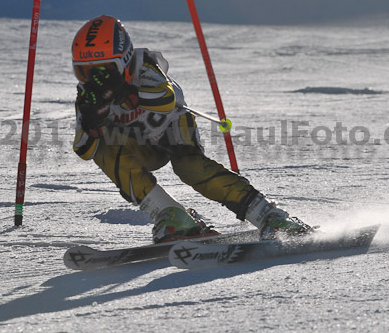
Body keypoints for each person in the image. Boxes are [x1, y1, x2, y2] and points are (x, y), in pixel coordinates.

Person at [71, 15, 312, 243]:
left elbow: (167, 99)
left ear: (123, 59)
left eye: (105, 69)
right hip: (140, 146)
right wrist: (92, 122)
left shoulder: (143, 66)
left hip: (171, 128)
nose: (96, 79)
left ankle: (270, 216)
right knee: (104, 149)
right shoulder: (88, 95)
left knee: (190, 167)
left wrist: (129, 91)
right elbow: (83, 150)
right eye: (86, 71)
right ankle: (173, 216)